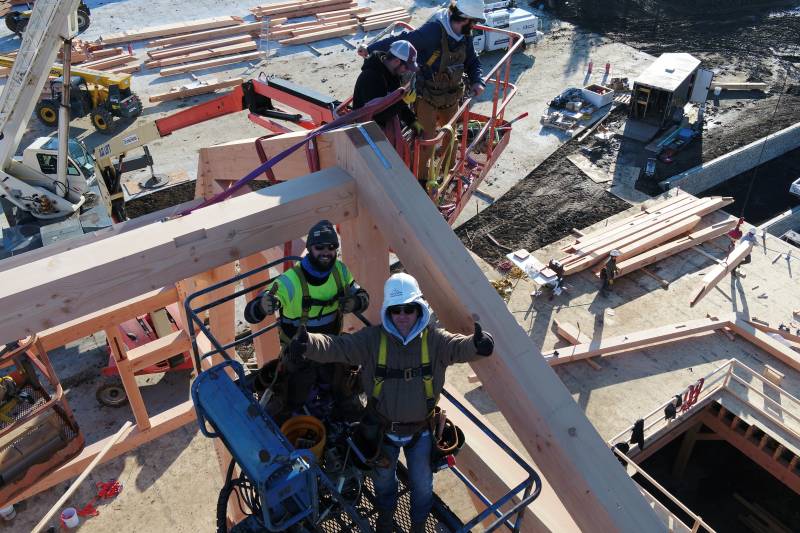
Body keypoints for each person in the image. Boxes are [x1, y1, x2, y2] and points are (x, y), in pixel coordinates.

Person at [284, 273, 495, 532]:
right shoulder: (372, 340)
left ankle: (417, 526)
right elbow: (337, 346)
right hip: (382, 432)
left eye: (409, 309)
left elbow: (460, 347)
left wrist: (480, 345)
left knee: (422, 487)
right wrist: (308, 343)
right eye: (397, 310)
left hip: (420, 432)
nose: (403, 315)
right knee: (384, 485)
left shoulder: (435, 340)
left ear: (419, 309)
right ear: (388, 312)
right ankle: (385, 524)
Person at [243, 220, 369, 413]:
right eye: (320, 247)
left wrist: (356, 302)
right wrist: (261, 306)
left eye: (331, 247)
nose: (326, 252)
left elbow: (363, 296)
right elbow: (251, 314)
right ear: (310, 248)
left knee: (337, 383)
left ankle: (334, 405)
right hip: (298, 352)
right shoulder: (290, 282)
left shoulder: (340, 272)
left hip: (330, 347)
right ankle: (299, 409)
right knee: (298, 391)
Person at [360, 0, 486, 187]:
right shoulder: (434, 31)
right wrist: (370, 49)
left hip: (451, 97)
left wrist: (478, 80)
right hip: (427, 97)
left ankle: (448, 173)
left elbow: (472, 61)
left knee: (451, 138)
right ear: (465, 19)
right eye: (474, 22)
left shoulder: (464, 36)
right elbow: (404, 41)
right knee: (426, 141)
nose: (475, 26)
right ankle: (420, 181)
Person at [353, 40, 421, 150]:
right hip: (367, 133)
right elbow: (377, 116)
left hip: (384, 125)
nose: (407, 71)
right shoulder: (371, 78)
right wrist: (403, 102)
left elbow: (395, 104)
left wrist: (413, 122)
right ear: (396, 61)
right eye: (407, 67)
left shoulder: (393, 73)